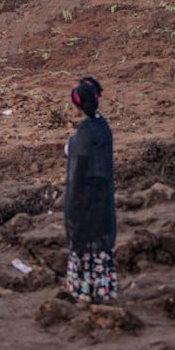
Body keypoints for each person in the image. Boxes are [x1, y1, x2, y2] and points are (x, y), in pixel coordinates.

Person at [63, 76, 116, 304]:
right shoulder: (103, 127)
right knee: (100, 248)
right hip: (104, 198)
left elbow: (78, 166)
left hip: (86, 198)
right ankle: (103, 290)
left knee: (84, 245)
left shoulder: (83, 133)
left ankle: (84, 292)